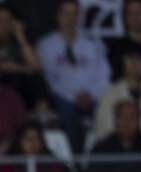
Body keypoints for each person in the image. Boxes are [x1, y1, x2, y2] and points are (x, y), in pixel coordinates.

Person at [34, 0, 110, 150]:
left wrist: (92, 94)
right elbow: (49, 79)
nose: (71, 18)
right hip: (62, 97)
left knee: (107, 110)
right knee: (68, 114)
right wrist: (73, 96)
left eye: (75, 13)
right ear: (58, 16)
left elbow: (104, 75)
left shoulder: (92, 44)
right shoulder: (46, 45)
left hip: (92, 97)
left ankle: (98, 161)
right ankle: (73, 163)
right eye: (66, 13)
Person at [0, 3, 48, 112]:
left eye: (8, 21)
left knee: (36, 80)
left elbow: (35, 68)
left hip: (21, 89)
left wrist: (20, 36)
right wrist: (22, 68)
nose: (4, 25)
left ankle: (42, 118)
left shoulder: (19, 44)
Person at [94, 51, 141, 148]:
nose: (135, 65)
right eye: (130, 60)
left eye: (139, 61)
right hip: (117, 151)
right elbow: (103, 129)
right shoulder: (110, 93)